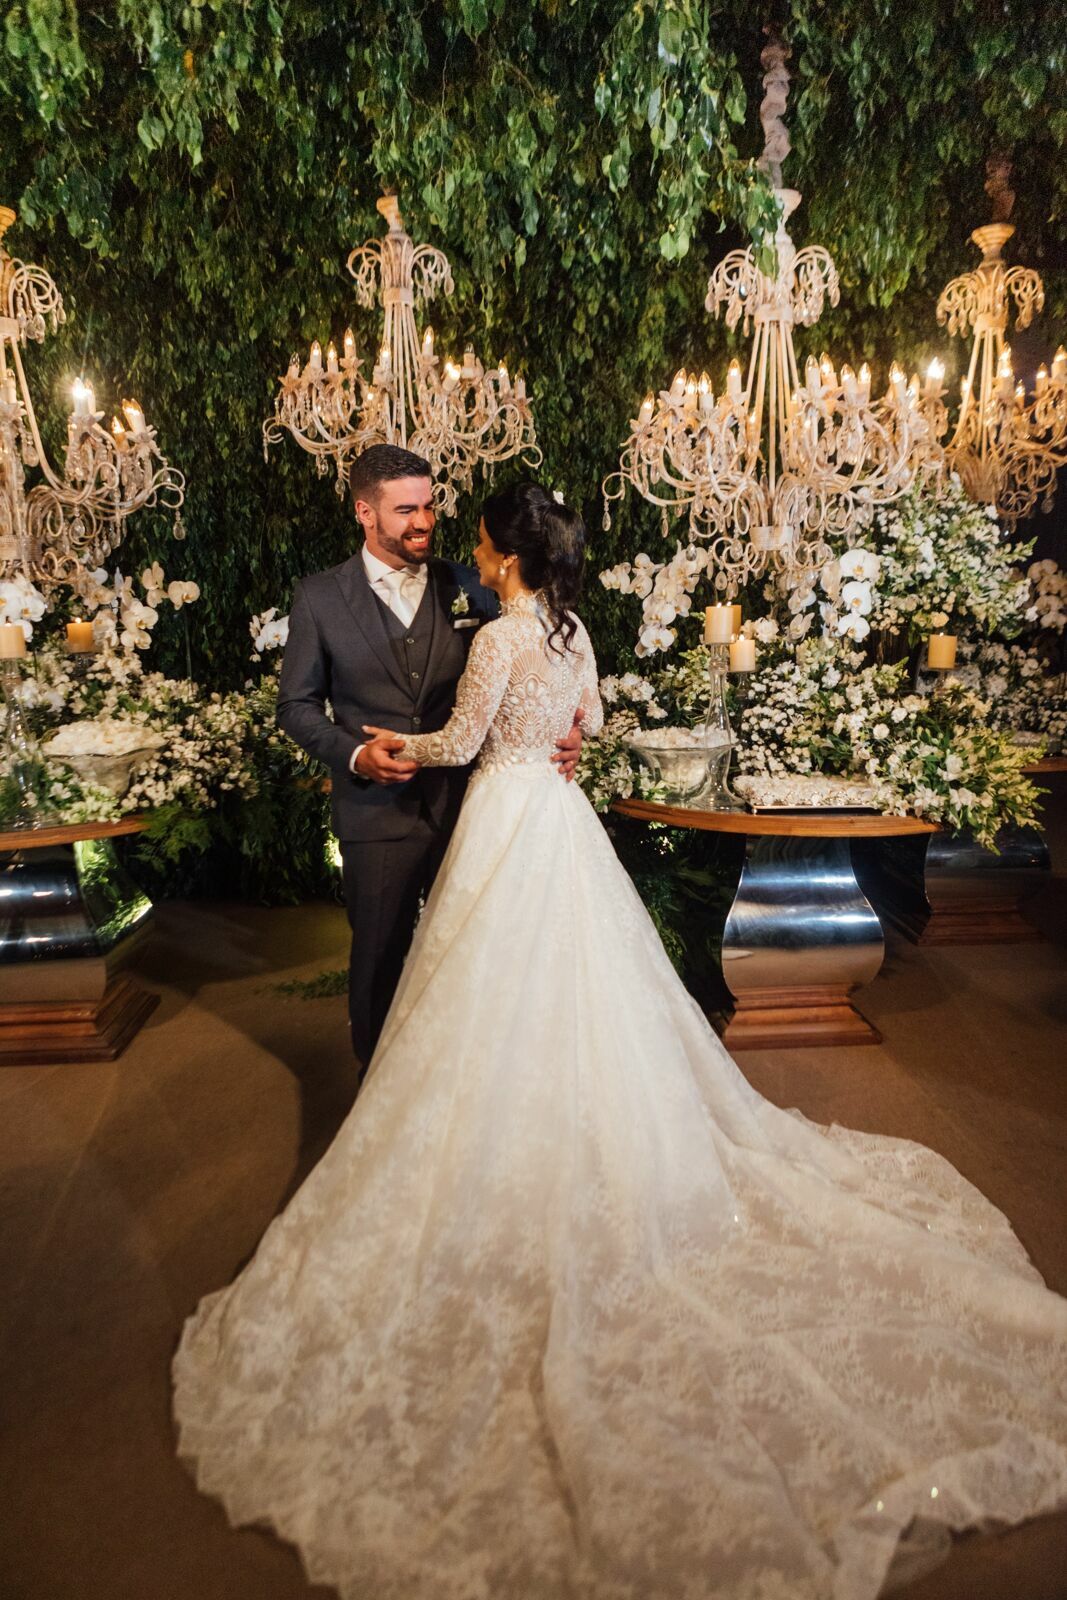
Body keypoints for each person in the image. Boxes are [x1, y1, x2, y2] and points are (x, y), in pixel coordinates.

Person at [175, 482, 1067, 1600]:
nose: (465, 546)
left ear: (499, 554)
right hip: (559, 823)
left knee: (486, 993)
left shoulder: (499, 632)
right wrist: (557, 747)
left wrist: (393, 743)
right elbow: (584, 721)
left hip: (502, 820)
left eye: (479, 538)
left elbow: (458, 739)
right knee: (582, 989)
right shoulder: (573, 625)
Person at [276, 446, 582, 1066]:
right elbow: (297, 708)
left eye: (430, 506)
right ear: (366, 512)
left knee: (474, 963)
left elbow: (539, 659)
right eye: (405, 509)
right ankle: (378, 1096)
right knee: (379, 964)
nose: (423, 522)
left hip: (472, 811)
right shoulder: (319, 599)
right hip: (375, 816)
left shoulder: (475, 582)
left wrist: (568, 728)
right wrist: (357, 755)